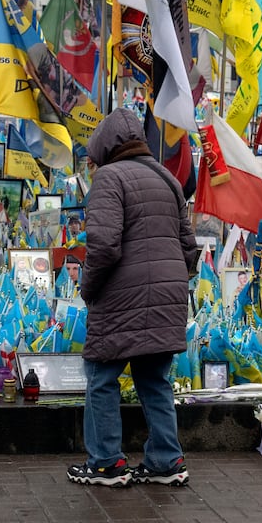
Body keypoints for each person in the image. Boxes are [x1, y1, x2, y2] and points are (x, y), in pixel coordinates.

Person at [70, 109, 199, 488]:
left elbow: (105, 247)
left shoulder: (108, 178)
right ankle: (165, 461)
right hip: (168, 296)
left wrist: (88, 288)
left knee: (102, 376)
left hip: (121, 296)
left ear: (106, 145)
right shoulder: (167, 177)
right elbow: (189, 248)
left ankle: (106, 463)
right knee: (154, 378)